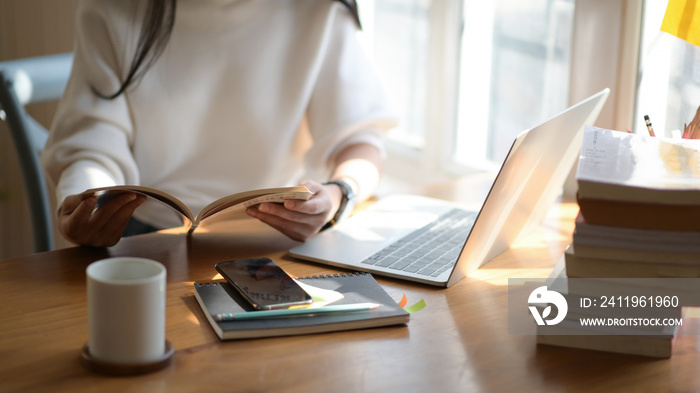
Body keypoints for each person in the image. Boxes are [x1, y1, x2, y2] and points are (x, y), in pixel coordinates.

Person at [41, 0, 398, 247]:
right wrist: (88, 202)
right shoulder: (111, 9)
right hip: (143, 236)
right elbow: (92, 146)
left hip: (280, 234)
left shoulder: (320, 9)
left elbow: (359, 140)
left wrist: (338, 195)